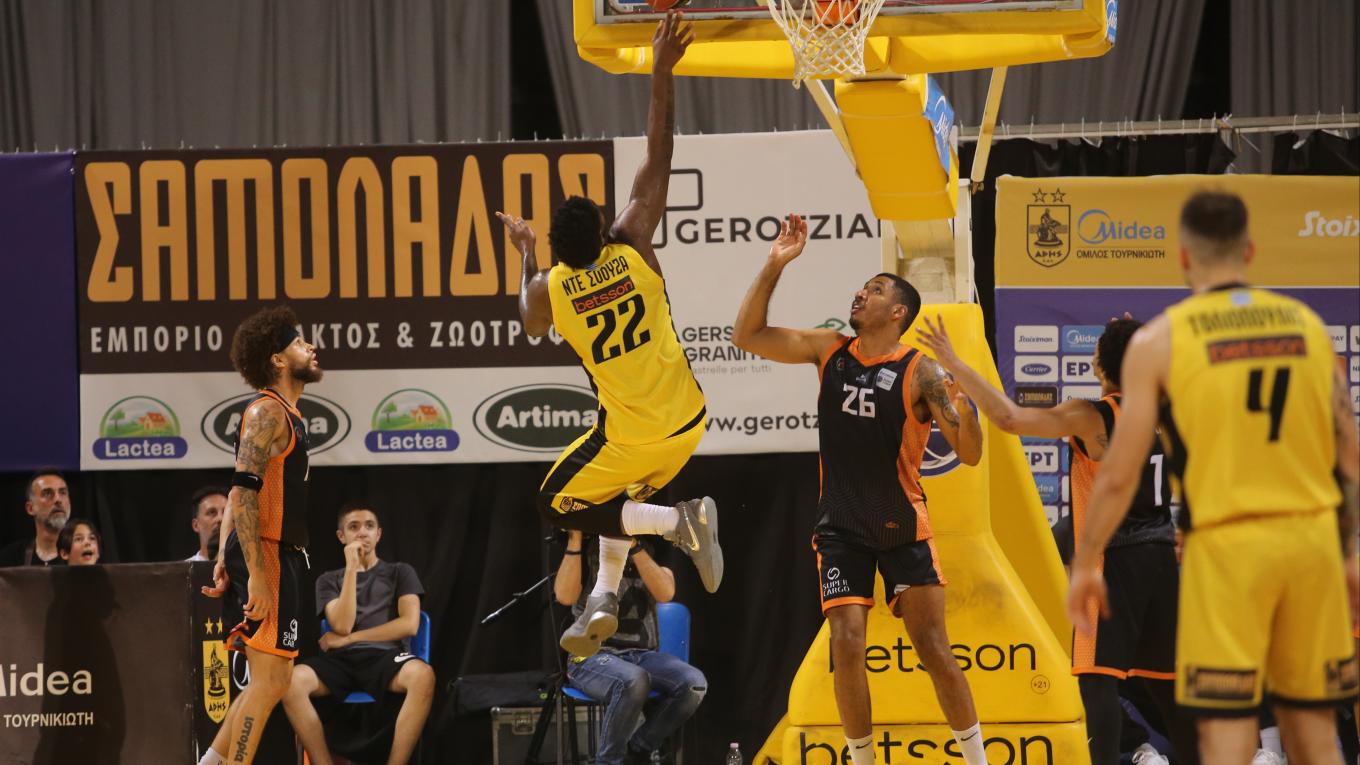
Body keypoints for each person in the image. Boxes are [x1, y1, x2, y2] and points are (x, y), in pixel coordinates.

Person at [1068, 191, 1360, 764]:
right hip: (1308, 545)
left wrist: (1084, 563)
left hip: (1227, 549)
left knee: (1226, 733)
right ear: (1248, 250)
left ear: (1183, 258)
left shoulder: (1162, 340)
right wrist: (1349, 553)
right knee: (1313, 732)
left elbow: (1120, 473)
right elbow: (1347, 455)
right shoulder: (1306, 327)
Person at [498, 10, 723, 659]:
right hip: (688, 420)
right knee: (617, 493)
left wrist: (525, 254)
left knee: (556, 500)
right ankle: (602, 594)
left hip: (632, 435)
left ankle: (677, 522)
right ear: (603, 229)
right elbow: (660, 151)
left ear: (558, 250)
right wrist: (661, 70)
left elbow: (528, 321)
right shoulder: (631, 242)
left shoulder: (551, 289)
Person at [732, 214, 990, 765]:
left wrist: (967, 410)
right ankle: (864, 760)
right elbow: (746, 336)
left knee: (933, 647)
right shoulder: (830, 350)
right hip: (841, 527)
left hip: (902, 524)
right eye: (862, 287)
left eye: (874, 290)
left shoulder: (921, 372)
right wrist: (775, 264)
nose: (860, 293)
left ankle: (977, 760)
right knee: (846, 643)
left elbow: (969, 453)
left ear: (897, 313)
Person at [917, 316, 1197, 765]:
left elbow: (1009, 418)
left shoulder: (1094, 416)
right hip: (1162, 561)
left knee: (1097, 681)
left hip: (1115, 560)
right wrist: (1138, 340)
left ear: (1100, 366)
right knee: (1166, 687)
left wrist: (956, 363)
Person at [198, 304, 323, 765]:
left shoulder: (288, 414)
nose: (311, 347)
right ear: (277, 359)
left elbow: (240, 490)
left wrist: (222, 557)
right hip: (267, 553)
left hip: (276, 553)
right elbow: (244, 491)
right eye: (299, 342)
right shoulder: (267, 411)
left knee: (273, 680)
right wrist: (253, 572)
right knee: (270, 683)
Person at [282, 502, 434, 765]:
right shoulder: (328, 580)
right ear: (341, 536)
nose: (362, 532)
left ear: (379, 534)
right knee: (291, 681)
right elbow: (342, 625)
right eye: (354, 527)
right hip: (341, 661)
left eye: (369, 526)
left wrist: (351, 638)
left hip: (385, 657)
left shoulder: (400, 572)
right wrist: (351, 568)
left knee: (423, 676)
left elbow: (409, 625)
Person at [555, 530, 705, 765]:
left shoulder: (649, 545)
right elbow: (565, 596)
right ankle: (608, 761)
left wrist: (633, 546)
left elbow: (666, 593)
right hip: (591, 656)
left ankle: (636, 751)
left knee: (694, 684)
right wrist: (575, 538)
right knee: (634, 680)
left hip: (642, 655)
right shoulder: (587, 547)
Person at [0, 468, 70, 567]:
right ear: (30, 508)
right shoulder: (11, 557)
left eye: (62, 492)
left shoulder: (83, 556)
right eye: (47, 493)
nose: (58, 500)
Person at [187, 485, 227, 562]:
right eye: (212, 512)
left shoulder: (247, 567)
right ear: (196, 525)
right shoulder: (182, 569)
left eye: (225, 513)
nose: (220, 518)